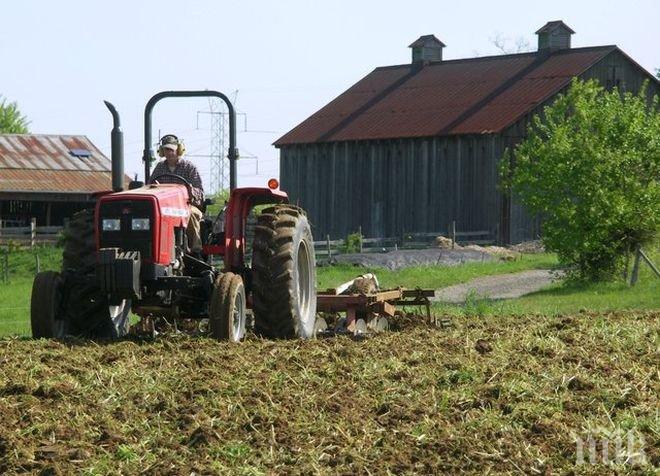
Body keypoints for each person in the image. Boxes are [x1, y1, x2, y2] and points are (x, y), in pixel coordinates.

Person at [149, 134, 204, 255]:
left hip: (186, 205)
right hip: (165, 208)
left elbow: (200, 192)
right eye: (165, 150)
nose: (168, 153)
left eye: (171, 149)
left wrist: (190, 191)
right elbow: (150, 185)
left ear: (178, 150)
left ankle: (196, 250)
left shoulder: (189, 167)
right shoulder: (159, 168)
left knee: (190, 213)